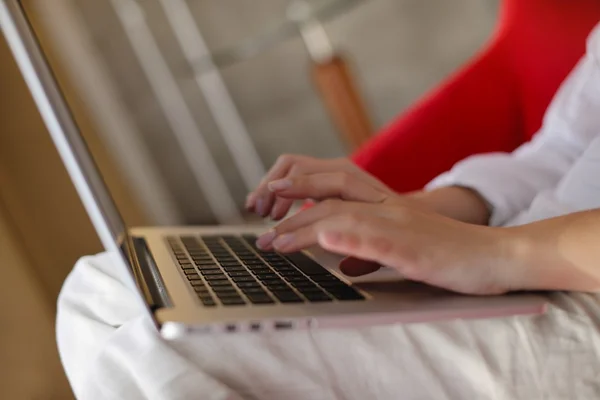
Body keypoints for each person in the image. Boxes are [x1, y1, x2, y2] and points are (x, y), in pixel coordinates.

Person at [57, 23, 600, 400]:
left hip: (577, 291)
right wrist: (416, 215)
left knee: (160, 356)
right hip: (525, 249)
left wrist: (494, 255)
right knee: (103, 290)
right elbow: (562, 149)